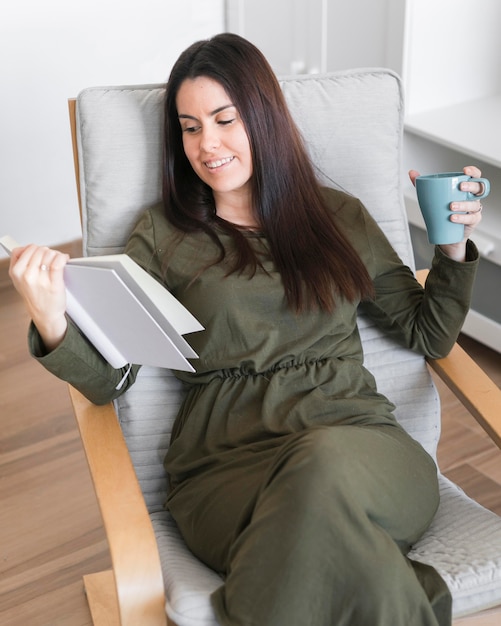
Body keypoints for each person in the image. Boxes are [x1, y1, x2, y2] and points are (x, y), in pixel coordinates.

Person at [9, 33, 484, 626]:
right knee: (322, 501)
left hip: (364, 448)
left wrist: (452, 246)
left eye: (224, 119)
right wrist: (52, 316)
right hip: (225, 472)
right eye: (188, 127)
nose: (207, 144)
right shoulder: (162, 235)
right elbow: (112, 377)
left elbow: (428, 334)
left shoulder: (340, 217)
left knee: (322, 460)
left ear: (263, 117)